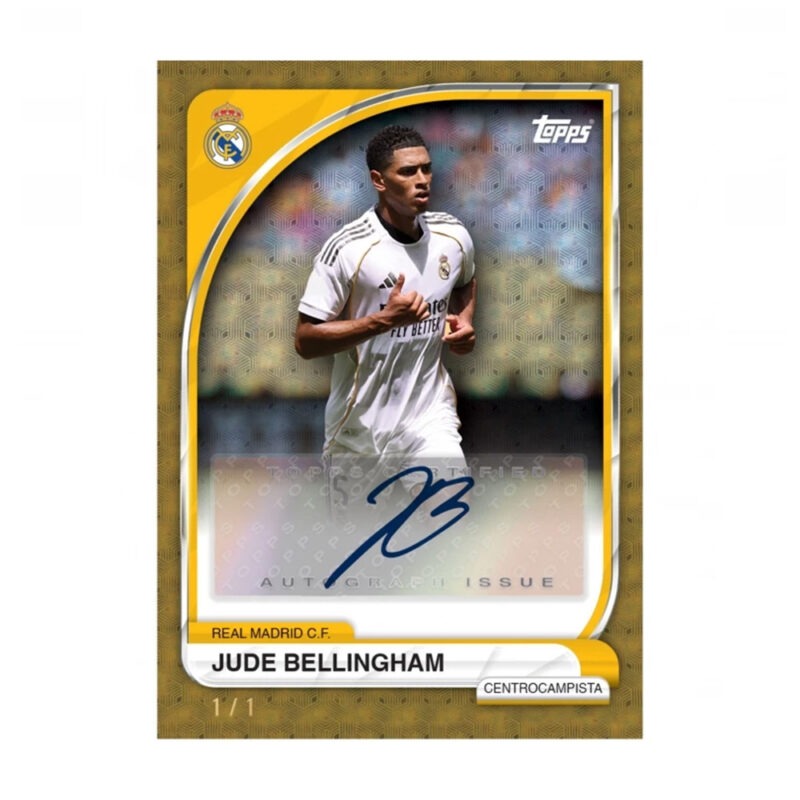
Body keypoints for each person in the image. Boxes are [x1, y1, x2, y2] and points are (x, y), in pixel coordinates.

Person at [295, 125, 477, 478]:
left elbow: (466, 279)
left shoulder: (453, 236)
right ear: (379, 180)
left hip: (429, 420)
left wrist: (465, 321)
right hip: (358, 434)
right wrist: (384, 321)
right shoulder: (348, 249)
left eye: (426, 169)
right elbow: (305, 340)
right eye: (407, 172)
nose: (422, 180)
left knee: (449, 504)